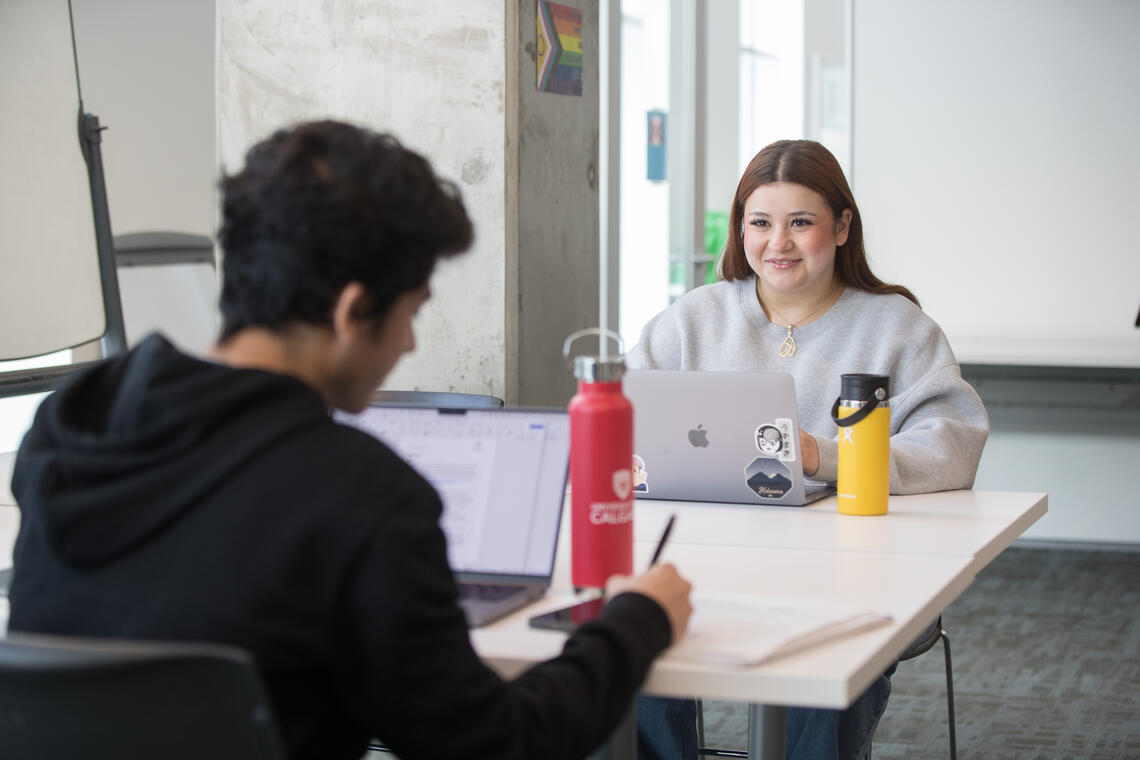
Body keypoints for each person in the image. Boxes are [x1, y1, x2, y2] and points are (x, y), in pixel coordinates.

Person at [8, 120, 693, 760]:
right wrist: (635, 621)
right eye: (411, 313)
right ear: (352, 310)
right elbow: (496, 745)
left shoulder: (76, 419)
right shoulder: (361, 493)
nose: (411, 342)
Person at [630, 139, 989, 760]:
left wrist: (822, 456)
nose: (779, 243)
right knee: (628, 641)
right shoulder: (692, 319)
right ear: (740, 228)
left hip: (854, 577)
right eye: (760, 223)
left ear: (843, 226)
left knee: (826, 666)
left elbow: (952, 445)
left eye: (801, 223)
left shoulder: (897, 327)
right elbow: (623, 422)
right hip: (707, 564)